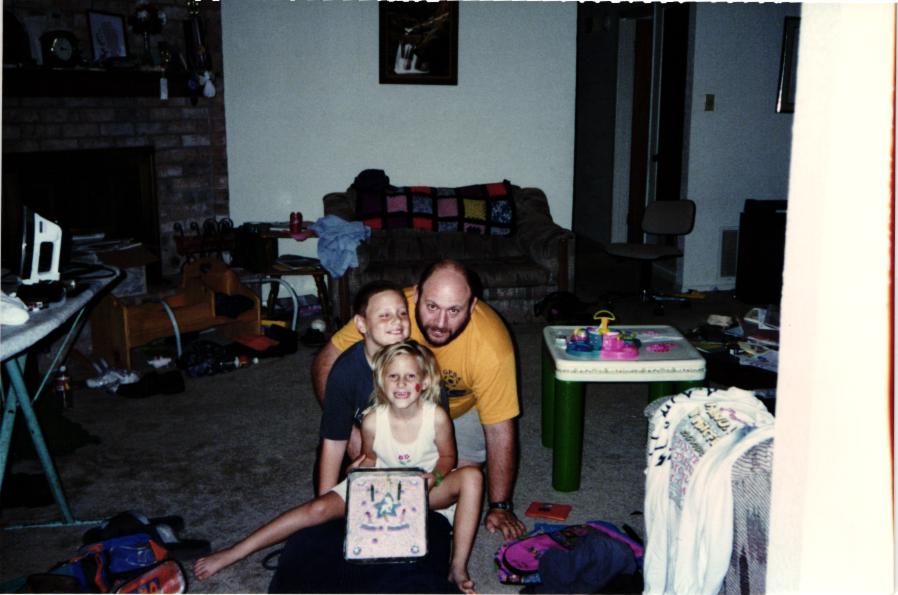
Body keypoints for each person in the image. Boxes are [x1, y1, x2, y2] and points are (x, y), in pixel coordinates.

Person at [196, 340, 484, 594]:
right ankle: (234, 551)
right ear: (381, 380)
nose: (401, 384)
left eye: (410, 376)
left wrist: (434, 478)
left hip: (425, 491)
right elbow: (370, 457)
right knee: (316, 509)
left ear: (425, 380)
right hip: (382, 488)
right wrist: (359, 471)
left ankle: (457, 567)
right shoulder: (372, 420)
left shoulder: (436, 417)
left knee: (472, 476)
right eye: (393, 376)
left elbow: (448, 457)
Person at [313, 259, 527, 540]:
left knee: (453, 490)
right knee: (359, 481)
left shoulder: (492, 346)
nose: (440, 322)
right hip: (391, 405)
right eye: (432, 306)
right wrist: (353, 434)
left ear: (472, 306)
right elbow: (326, 362)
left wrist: (500, 505)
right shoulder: (392, 312)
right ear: (416, 295)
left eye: (454, 310)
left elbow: (500, 429)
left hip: (460, 411)